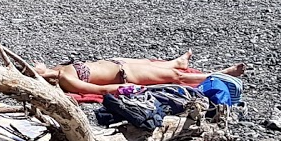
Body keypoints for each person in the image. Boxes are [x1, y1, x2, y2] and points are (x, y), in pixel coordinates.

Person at [31, 52, 246, 97]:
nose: (36, 66)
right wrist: (132, 90)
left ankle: (178, 62)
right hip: (126, 75)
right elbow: (99, 90)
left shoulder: (57, 69)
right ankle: (219, 74)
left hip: (122, 64)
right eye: (34, 71)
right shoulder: (67, 81)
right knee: (176, 76)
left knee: (155, 64)